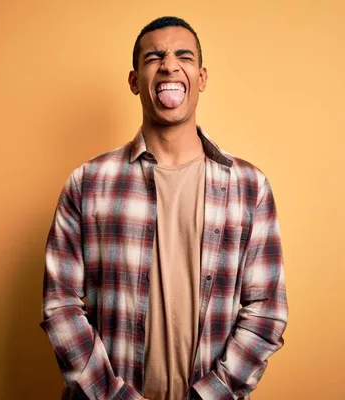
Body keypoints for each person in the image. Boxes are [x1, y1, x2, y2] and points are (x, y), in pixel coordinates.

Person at [41, 16, 288, 400]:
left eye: (183, 56)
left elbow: (266, 312)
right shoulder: (88, 183)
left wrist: (210, 395)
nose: (169, 64)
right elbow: (61, 306)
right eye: (154, 56)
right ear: (135, 81)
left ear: (201, 78)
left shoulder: (249, 187)